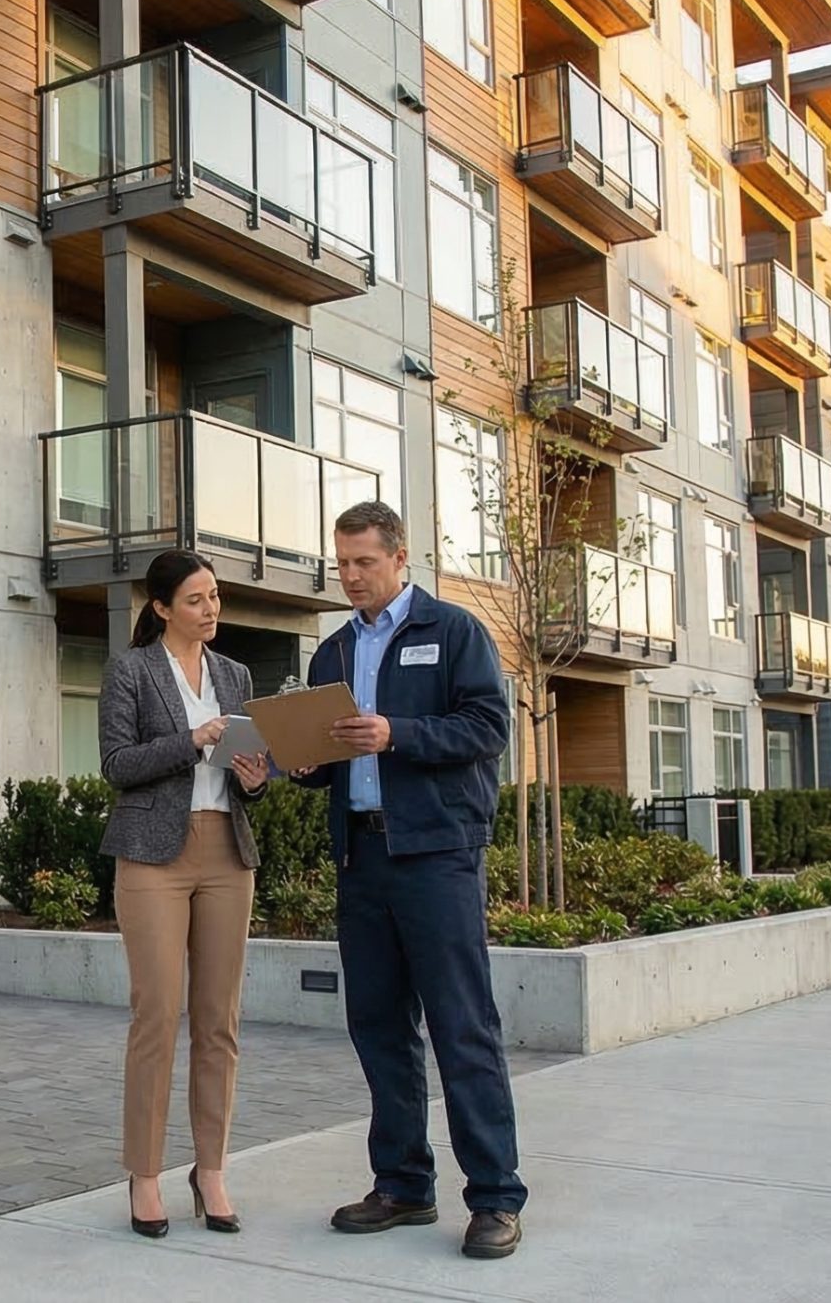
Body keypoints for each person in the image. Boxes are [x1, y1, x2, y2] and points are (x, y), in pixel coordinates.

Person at [293, 501, 526, 1260]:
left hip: (437, 858)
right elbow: (327, 759)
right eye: (342, 563)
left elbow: (489, 727)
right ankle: (402, 1183)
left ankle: (494, 1196)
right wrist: (300, 763)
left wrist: (399, 733)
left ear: (400, 558)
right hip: (362, 861)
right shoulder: (330, 654)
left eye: (364, 561)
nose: (351, 575)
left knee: (463, 1026)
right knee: (380, 1028)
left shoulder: (452, 632)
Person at [97, 549, 271, 1239]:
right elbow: (116, 765)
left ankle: (212, 1168)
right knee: (157, 1013)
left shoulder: (233, 673)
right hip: (151, 856)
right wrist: (190, 740)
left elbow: (247, 777)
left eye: (216, 596)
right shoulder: (130, 670)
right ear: (164, 606)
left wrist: (255, 772)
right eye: (197, 599)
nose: (211, 609)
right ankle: (145, 1175)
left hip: (227, 848)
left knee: (219, 1018)